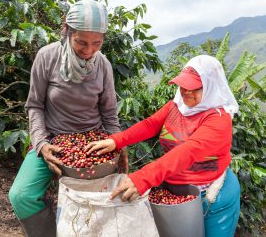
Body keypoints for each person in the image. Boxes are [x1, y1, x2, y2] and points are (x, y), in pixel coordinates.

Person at [8, 0, 127, 237]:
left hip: (93, 143)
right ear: (66, 30)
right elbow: (34, 105)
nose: (88, 50)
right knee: (21, 195)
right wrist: (41, 144)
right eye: (81, 42)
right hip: (52, 139)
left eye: (97, 43)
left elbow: (109, 114)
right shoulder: (47, 57)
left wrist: (119, 143)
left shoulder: (103, 66)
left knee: (100, 199)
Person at [86, 55, 240, 237]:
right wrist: (116, 141)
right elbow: (150, 125)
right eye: (183, 86)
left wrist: (144, 177)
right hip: (176, 193)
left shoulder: (218, 119)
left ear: (210, 86)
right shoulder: (176, 107)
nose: (186, 92)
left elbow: (189, 150)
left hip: (212, 197)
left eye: (194, 88)